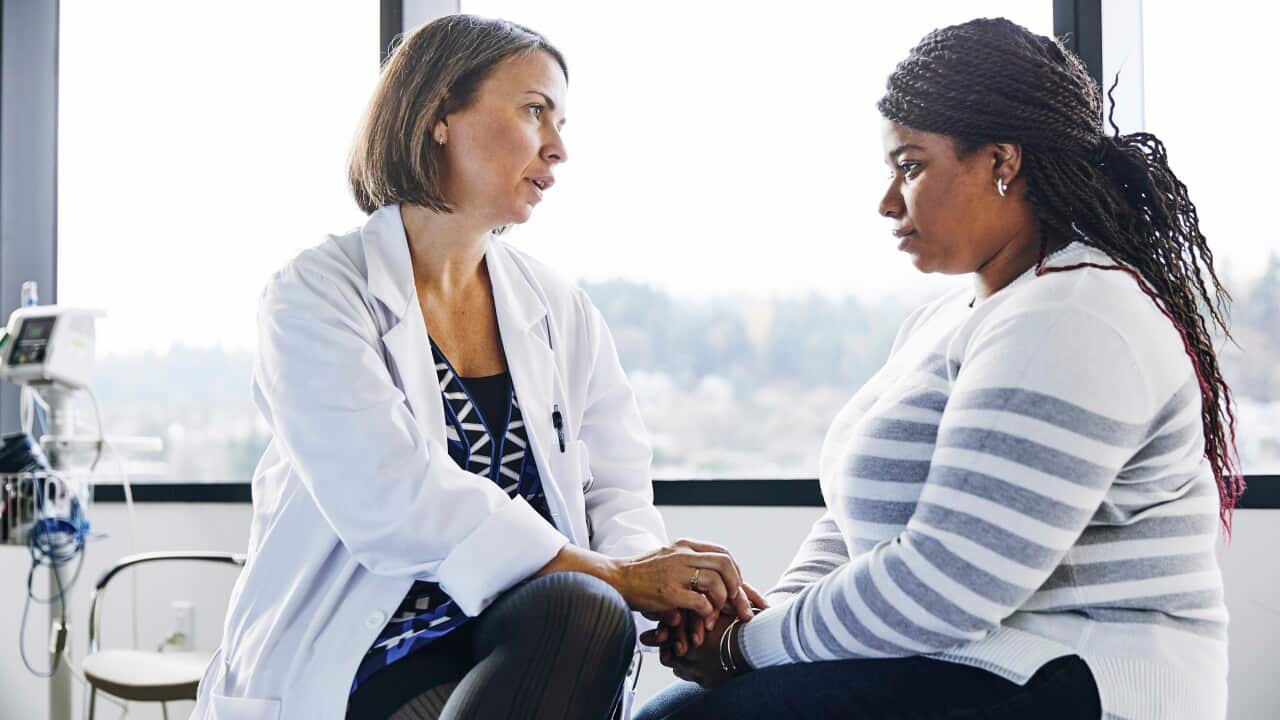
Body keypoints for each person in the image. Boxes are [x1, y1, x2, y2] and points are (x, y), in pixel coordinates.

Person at [638, 17, 1241, 720]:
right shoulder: (949, 321)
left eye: (911, 165)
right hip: (968, 662)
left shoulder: (1075, 316)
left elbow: (947, 581)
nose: (888, 202)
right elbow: (849, 529)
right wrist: (758, 621)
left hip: (1077, 674)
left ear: (1001, 163)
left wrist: (746, 649)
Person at [191, 15, 758, 720]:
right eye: (533, 111)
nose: (558, 149)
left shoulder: (557, 306)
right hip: (371, 650)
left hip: (534, 639)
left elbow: (617, 491)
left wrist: (660, 591)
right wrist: (620, 576)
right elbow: (393, 499)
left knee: (585, 610)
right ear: (438, 115)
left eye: (561, 121)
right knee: (585, 602)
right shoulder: (317, 294)